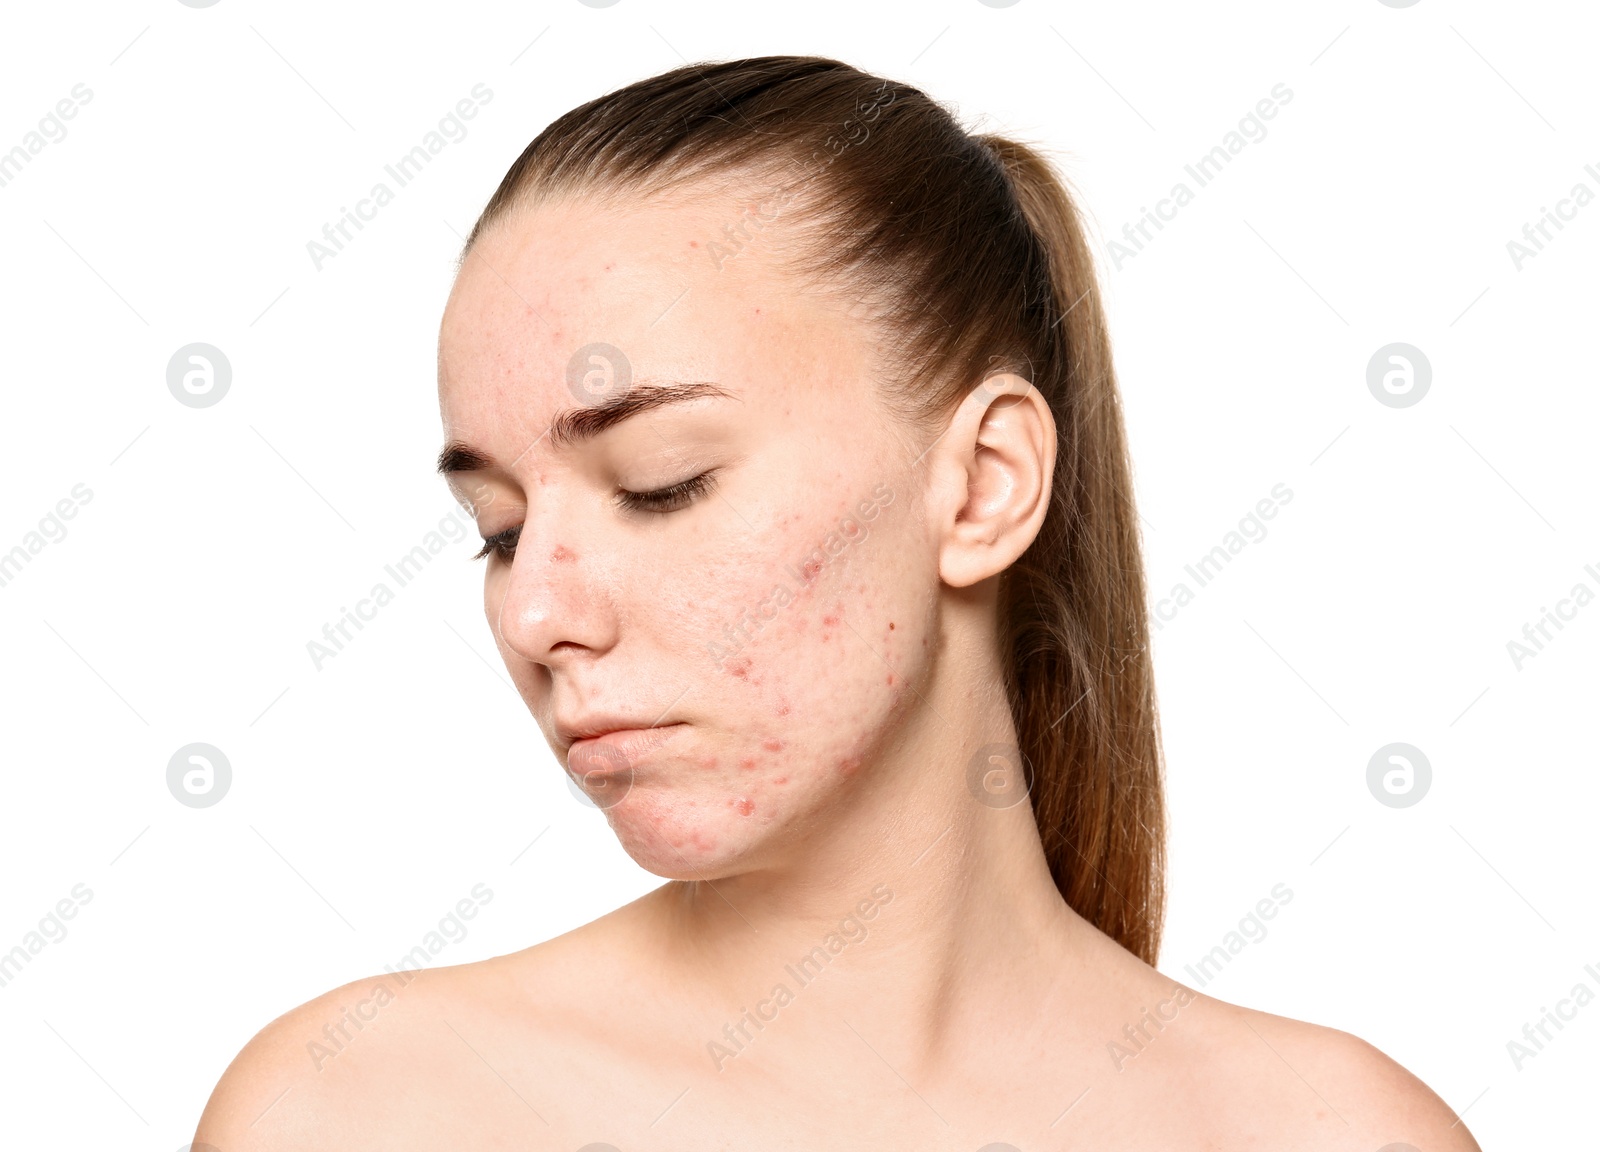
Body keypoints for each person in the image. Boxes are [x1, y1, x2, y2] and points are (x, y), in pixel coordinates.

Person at [196, 55, 1481, 1149]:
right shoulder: (360, 1110)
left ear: (981, 486)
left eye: (661, 485)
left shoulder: (1333, 1133)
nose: (537, 616)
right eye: (500, 530)